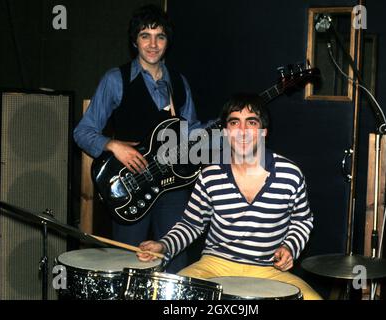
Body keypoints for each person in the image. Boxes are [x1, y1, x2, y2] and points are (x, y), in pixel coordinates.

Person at [137, 93, 322, 300]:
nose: (242, 131)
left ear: (264, 132)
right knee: (171, 297)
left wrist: (289, 247)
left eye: (251, 122)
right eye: (235, 122)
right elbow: (191, 225)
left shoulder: (290, 174)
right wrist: (164, 245)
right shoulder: (210, 174)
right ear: (225, 132)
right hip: (215, 265)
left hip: (269, 270)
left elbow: (302, 221)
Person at [73, 4, 200, 273]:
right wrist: (112, 145)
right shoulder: (115, 79)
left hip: (174, 186)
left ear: (167, 41)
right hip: (132, 186)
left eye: (160, 36)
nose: (153, 44)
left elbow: (192, 134)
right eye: (146, 35)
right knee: (128, 266)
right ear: (135, 41)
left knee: (175, 264)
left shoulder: (180, 82)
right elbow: (82, 132)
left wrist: (226, 129)